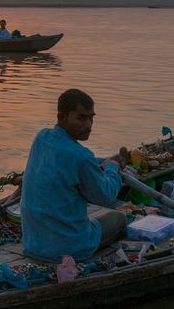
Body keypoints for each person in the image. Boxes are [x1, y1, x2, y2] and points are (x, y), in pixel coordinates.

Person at [20, 89, 127, 263]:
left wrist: (102, 161)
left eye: (91, 118)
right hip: (69, 249)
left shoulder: (42, 137)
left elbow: (73, 158)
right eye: (81, 118)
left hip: (32, 243)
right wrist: (113, 169)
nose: (88, 125)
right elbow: (106, 196)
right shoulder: (81, 156)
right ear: (61, 118)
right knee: (119, 219)